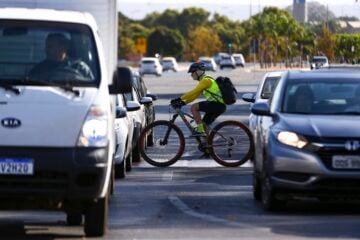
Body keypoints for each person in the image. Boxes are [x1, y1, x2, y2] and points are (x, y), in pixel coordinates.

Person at [170, 62, 226, 135]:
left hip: (217, 105)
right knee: (204, 125)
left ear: (198, 72)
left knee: (194, 107)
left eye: (192, 72)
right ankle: (208, 145)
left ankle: (200, 130)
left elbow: (194, 91)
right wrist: (183, 102)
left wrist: (179, 98)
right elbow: (195, 95)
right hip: (219, 106)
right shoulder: (204, 81)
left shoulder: (206, 80)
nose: (191, 74)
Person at [28, 33, 94, 80]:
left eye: (50, 47)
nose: (46, 49)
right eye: (46, 46)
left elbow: (91, 87)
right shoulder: (39, 70)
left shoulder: (80, 68)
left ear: (64, 47)